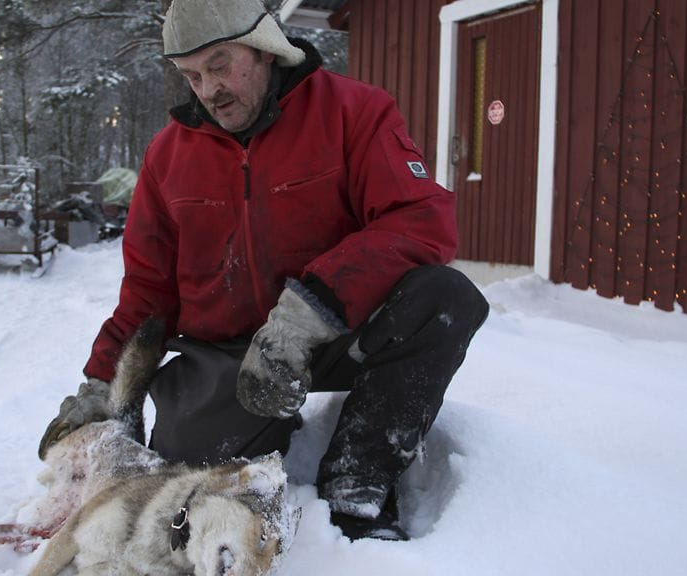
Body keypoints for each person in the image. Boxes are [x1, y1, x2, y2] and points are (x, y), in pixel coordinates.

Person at [39, 0, 489, 541]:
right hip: (226, 357)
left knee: (443, 298)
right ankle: (241, 430)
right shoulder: (166, 157)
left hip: (332, 333)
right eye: (191, 75)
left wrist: (307, 313)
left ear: (264, 48)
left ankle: (357, 486)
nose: (208, 90)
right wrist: (104, 385)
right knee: (185, 500)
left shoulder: (354, 112)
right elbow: (148, 292)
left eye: (220, 64)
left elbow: (420, 221)